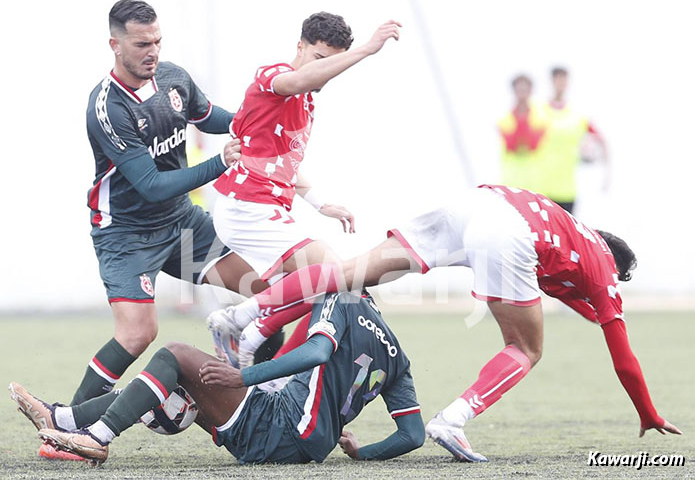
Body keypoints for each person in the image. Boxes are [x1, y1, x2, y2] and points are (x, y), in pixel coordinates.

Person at [210, 184, 681, 461]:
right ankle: (452, 421)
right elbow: (623, 356)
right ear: (615, 267)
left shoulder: (572, 234)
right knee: (527, 348)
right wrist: (647, 412)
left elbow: (575, 296)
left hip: (475, 203)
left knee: (348, 273)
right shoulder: (603, 267)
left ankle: (245, 317)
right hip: (507, 233)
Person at [58, 0, 293, 463]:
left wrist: (264, 120)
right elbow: (148, 185)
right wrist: (219, 161)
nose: (153, 52)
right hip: (126, 233)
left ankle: (259, 396)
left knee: (266, 292)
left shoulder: (174, 79)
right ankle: (70, 428)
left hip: (180, 224)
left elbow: (217, 119)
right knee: (138, 334)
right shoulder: (105, 107)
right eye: (142, 43)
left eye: (158, 41)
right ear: (115, 44)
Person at [10, 291, 425, 465]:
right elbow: (412, 435)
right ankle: (62, 420)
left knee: (173, 353)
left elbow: (317, 351)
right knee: (173, 380)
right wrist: (361, 454)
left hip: (278, 426)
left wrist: (241, 375)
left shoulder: (341, 299)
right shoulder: (399, 356)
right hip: (300, 446)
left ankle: (97, 436)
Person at [199, 13, 401, 366]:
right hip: (245, 205)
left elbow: (284, 162)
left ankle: (265, 359)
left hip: (268, 207)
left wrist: (322, 204)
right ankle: (240, 321)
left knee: (333, 289)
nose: (326, 70)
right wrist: (369, 49)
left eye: (333, 61)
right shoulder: (272, 77)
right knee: (336, 272)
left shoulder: (307, 101)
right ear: (300, 47)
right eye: (321, 59)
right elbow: (296, 80)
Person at [534, 67, 609, 213]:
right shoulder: (538, 113)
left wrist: (607, 175)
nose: (561, 83)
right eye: (558, 79)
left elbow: (602, 141)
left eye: (564, 79)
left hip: (567, 189)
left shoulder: (577, 116)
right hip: (542, 188)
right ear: (552, 81)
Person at [497, 74, 548, 193]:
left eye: (525, 90)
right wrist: (520, 116)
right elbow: (512, 145)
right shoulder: (505, 119)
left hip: (534, 180)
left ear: (531, 91)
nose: (522, 94)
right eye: (519, 90)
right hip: (511, 180)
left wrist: (525, 115)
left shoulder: (540, 118)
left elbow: (533, 145)